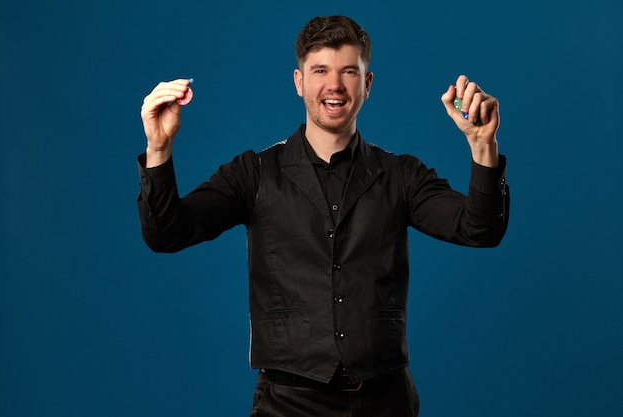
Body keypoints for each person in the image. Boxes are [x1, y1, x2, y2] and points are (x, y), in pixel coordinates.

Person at [137, 15, 509, 417]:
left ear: (367, 85)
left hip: (385, 402)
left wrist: (482, 146)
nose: (334, 85)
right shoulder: (254, 173)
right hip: (287, 403)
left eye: (349, 71)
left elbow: (479, 229)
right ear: (299, 82)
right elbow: (167, 234)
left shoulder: (400, 175)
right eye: (320, 71)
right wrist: (158, 149)